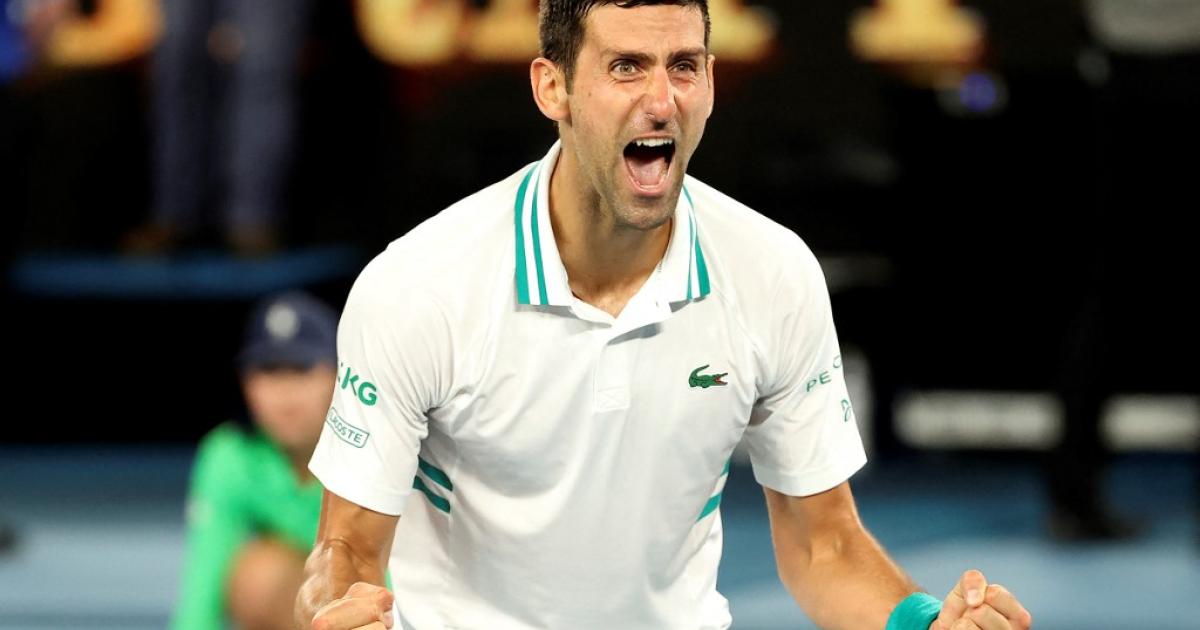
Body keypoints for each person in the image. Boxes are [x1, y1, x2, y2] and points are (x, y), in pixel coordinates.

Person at [295, 2, 1034, 629]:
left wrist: (923, 623)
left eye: (683, 66)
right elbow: (348, 550)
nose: (661, 100)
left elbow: (825, 545)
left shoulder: (774, 274)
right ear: (552, 87)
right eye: (626, 67)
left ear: (710, 81)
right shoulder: (418, 286)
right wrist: (334, 608)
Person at [172, 291, 338, 630]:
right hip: (318, 604)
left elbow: (395, 571)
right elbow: (204, 583)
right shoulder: (230, 455)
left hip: (398, 606)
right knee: (259, 577)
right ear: (246, 382)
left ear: (337, 376)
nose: (285, 392)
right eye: (269, 370)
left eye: (302, 369)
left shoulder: (375, 448)